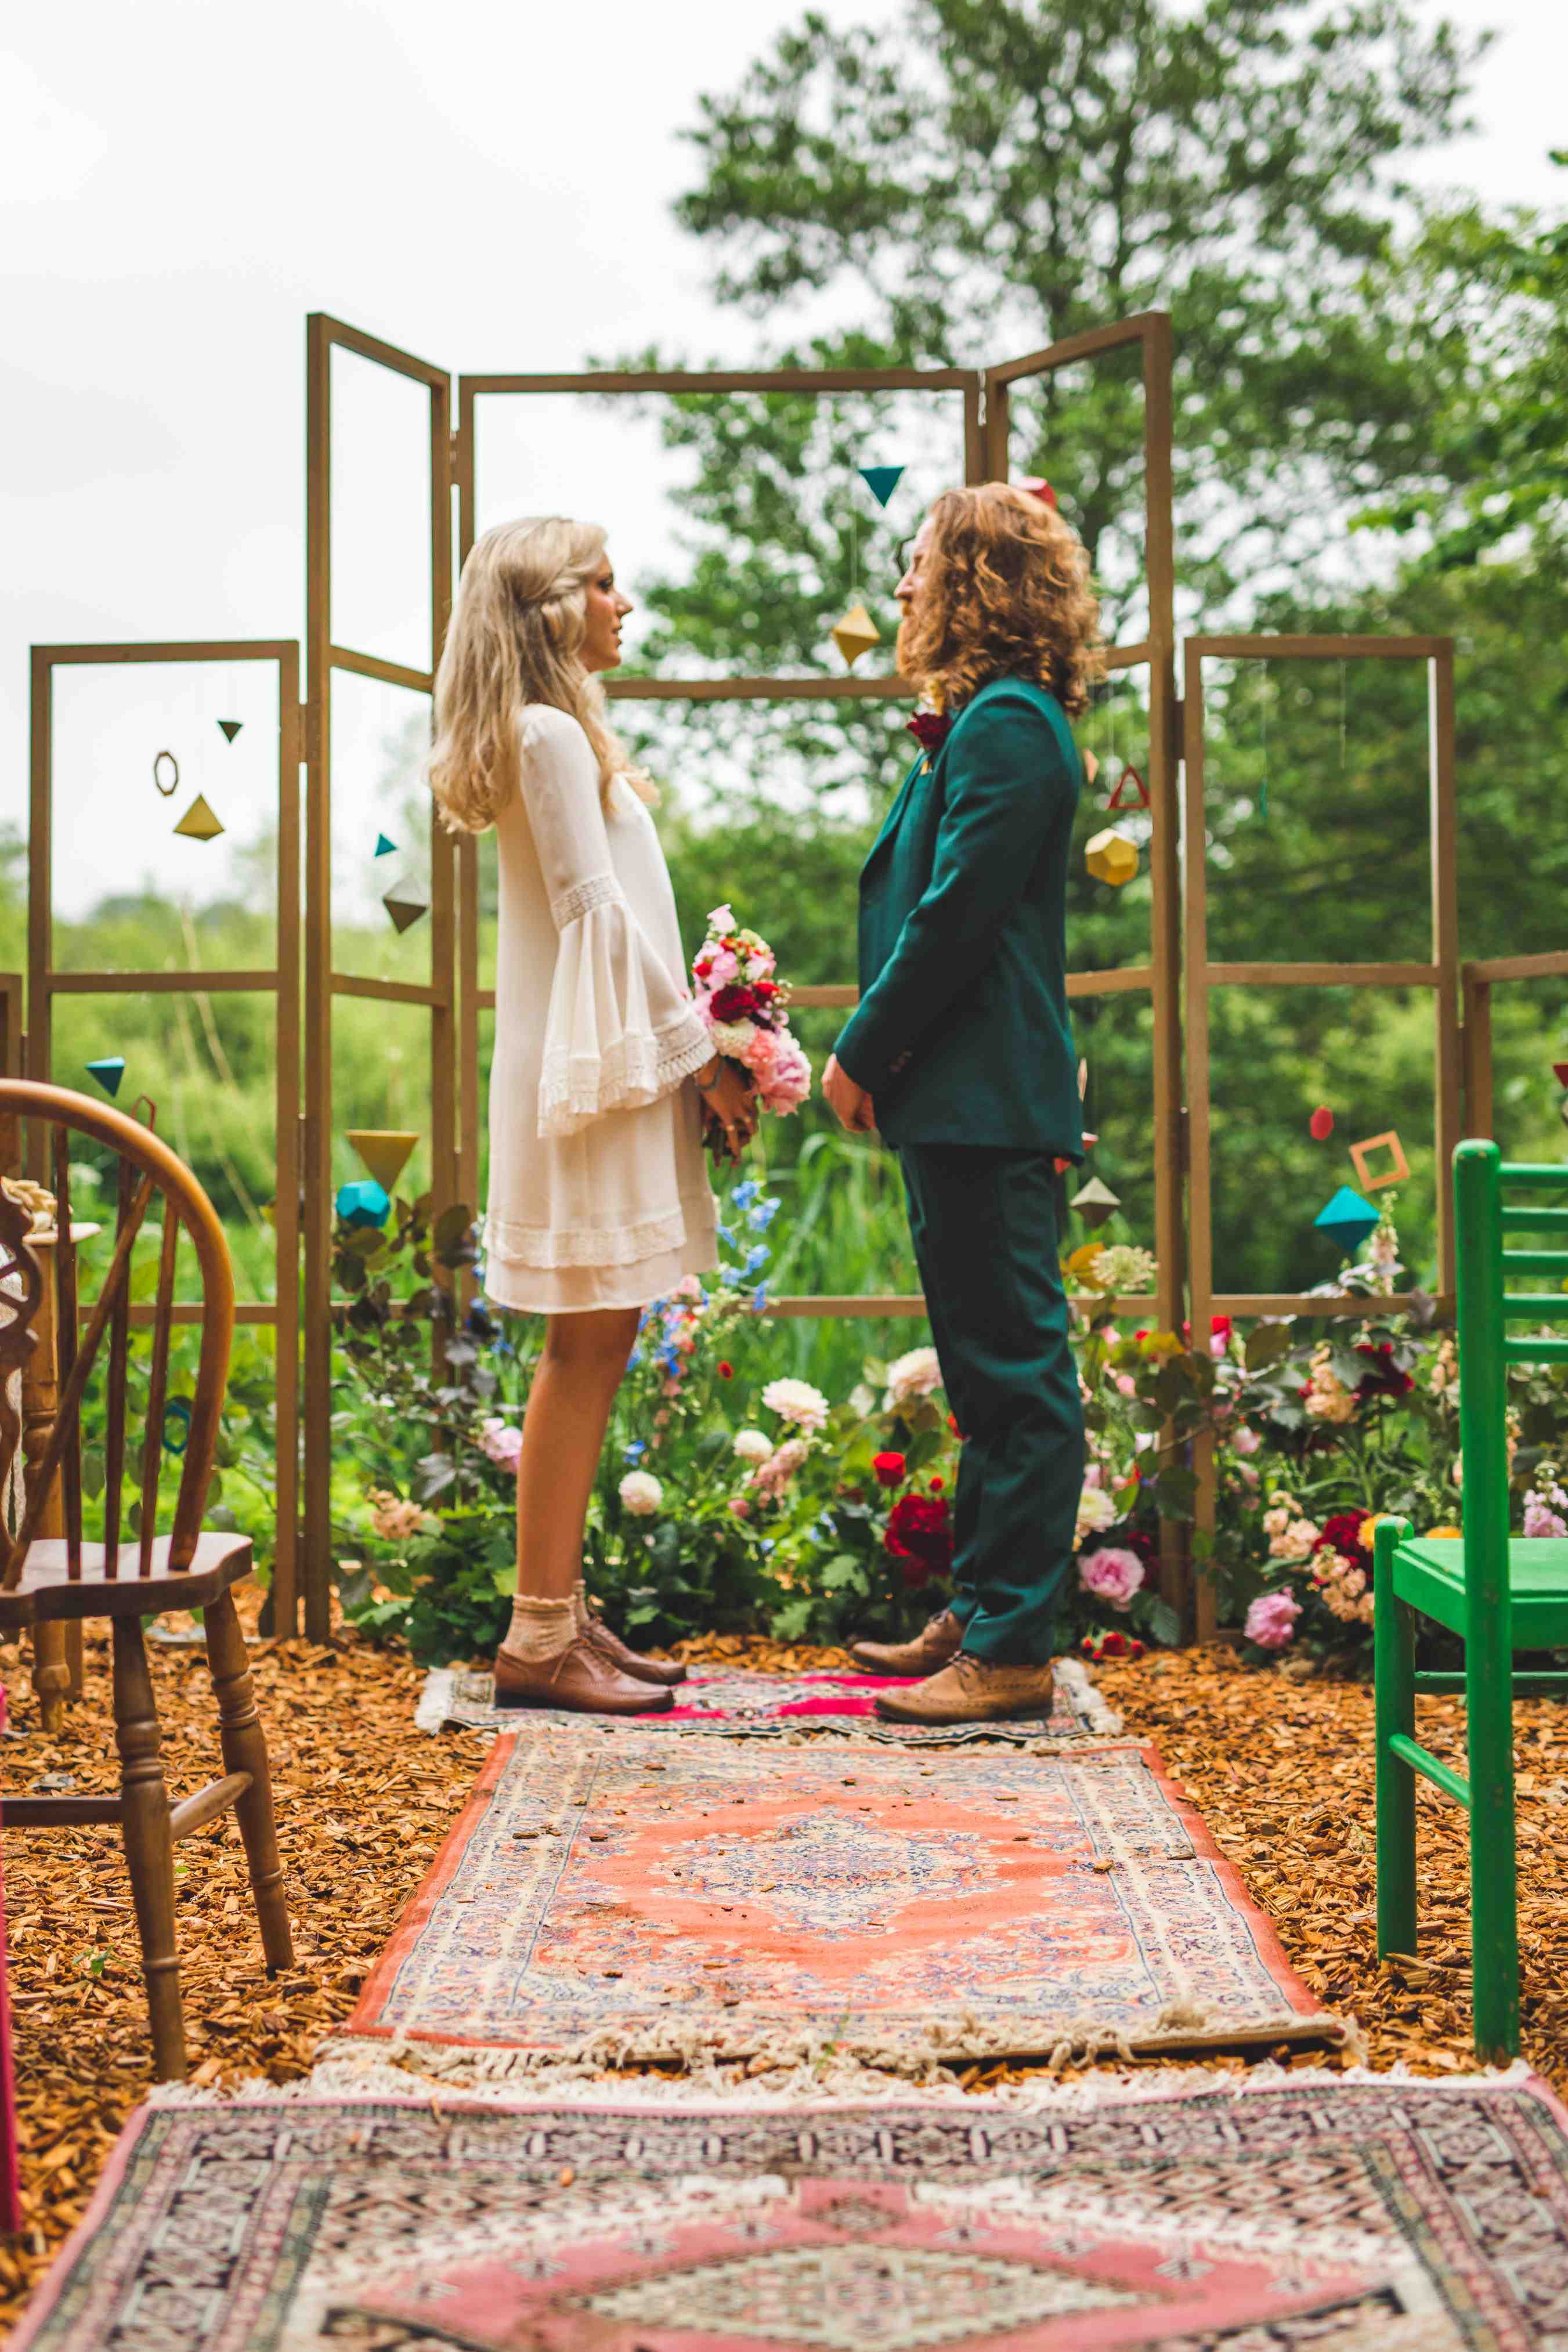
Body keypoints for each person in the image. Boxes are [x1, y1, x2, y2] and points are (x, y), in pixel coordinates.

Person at [429, 516, 757, 1714]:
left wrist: (705, 1040)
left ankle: (560, 1612)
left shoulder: (554, 731)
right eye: (605, 585)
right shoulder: (547, 731)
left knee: (600, 1337)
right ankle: (537, 1634)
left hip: (602, 1063)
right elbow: (594, 917)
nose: (626, 604)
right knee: (584, 1342)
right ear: (553, 606)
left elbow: (618, 920)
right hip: (597, 1075)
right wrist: (702, 1063)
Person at [823, 482, 1102, 1725]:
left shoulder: (1009, 726)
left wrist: (861, 1051)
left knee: (1019, 1372)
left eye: (918, 559)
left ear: (976, 580)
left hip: (981, 1093)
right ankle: (980, 1606)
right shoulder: (983, 720)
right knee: (984, 1374)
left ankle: (1010, 1652)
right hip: (962, 1098)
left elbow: (953, 920)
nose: (899, 585)